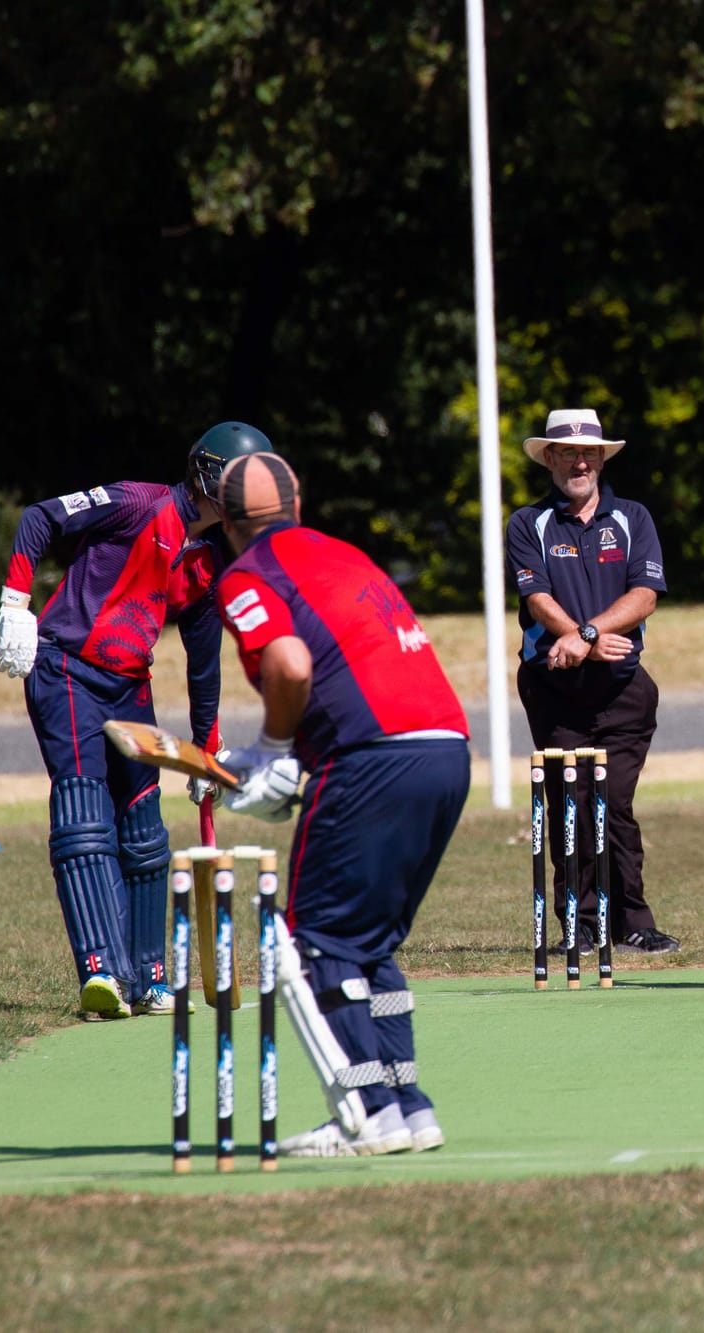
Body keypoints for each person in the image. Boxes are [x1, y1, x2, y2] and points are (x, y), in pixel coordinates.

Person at [213, 451, 471, 1157]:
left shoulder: (245, 572)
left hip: (372, 754)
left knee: (316, 940)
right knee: (369, 943)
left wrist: (269, 750)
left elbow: (291, 663)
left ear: (226, 520)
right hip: (446, 746)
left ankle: (365, 1109)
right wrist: (280, 755)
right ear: (299, 501)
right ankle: (409, 1107)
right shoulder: (342, 552)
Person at [0, 422, 273, 1020]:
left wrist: (206, 748)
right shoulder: (138, 502)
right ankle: (102, 972)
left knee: (145, 832)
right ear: (209, 477)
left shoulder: (210, 562)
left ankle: (149, 977)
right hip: (66, 667)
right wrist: (15, 603)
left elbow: (204, 662)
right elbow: (40, 517)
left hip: (129, 684)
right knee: (85, 819)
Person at [504, 408, 678, 956]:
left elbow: (645, 595)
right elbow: (536, 598)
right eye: (568, 452)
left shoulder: (633, 517)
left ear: (601, 458)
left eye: (589, 452)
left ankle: (633, 920)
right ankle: (576, 925)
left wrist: (587, 634)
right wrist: (581, 640)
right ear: (549, 458)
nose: (580, 461)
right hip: (554, 689)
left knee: (615, 802)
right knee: (569, 801)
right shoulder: (527, 523)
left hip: (624, 688)